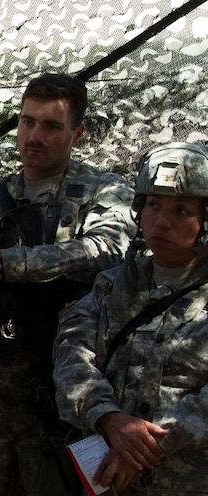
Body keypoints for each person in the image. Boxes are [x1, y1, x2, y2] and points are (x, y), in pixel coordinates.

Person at [0, 72, 136, 495]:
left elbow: (109, 249)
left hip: (64, 382)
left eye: (51, 126)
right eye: (27, 122)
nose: (34, 136)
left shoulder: (104, 191)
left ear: (76, 133)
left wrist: (11, 264)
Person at [54, 142, 208, 495]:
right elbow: (70, 353)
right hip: (106, 477)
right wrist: (109, 418)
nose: (162, 221)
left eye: (182, 210)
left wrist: (140, 446)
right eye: (153, 205)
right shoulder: (113, 285)